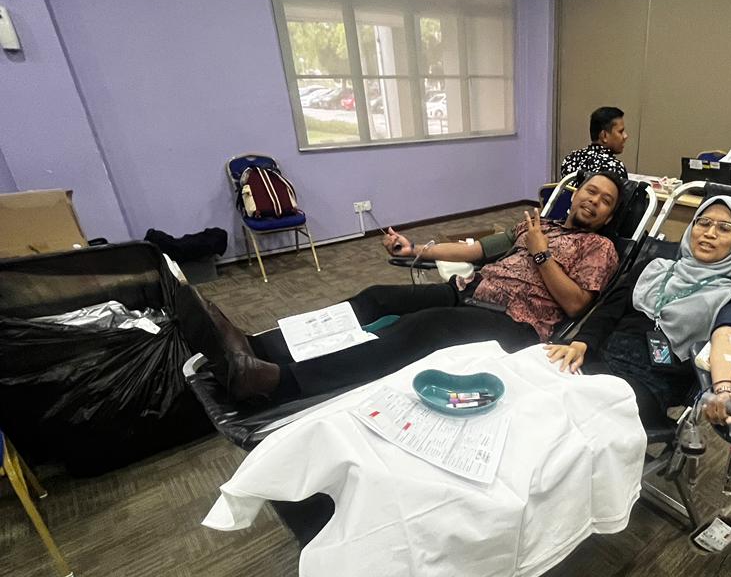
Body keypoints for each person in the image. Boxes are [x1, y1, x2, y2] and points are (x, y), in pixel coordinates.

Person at [178, 171, 625, 403]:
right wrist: (416, 249)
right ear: (575, 193)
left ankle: (278, 383)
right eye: (591, 191)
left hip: (515, 324)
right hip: (470, 292)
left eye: (605, 201)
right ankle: (259, 346)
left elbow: (575, 304)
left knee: (417, 328)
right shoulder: (538, 223)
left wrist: (542, 254)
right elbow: (476, 249)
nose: (594, 201)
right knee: (376, 297)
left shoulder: (599, 248)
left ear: (608, 216)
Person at [545, 195, 731, 427]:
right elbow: (608, 312)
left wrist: (724, 389)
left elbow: (729, 336)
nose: (710, 233)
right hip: (599, 358)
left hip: (647, 386)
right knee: (540, 373)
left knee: (570, 409)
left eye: (724, 228)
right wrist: (581, 343)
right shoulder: (652, 268)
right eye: (703, 223)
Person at [560, 106, 630, 181]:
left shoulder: (570, 159)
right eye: (620, 132)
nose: (625, 136)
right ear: (604, 136)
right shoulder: (614, 168)